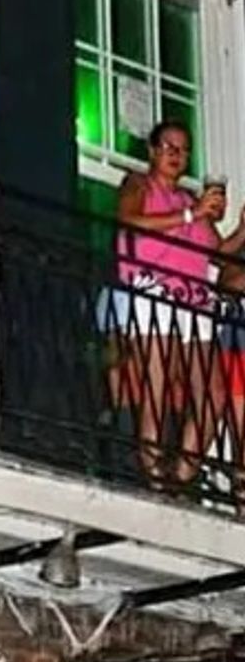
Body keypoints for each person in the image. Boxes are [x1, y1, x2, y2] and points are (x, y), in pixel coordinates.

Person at [109, 121, 245, 486]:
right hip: (155, 291)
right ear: (153, 151)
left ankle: (181, 474)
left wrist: (243, 230)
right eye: (169, 147)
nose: (176, 155)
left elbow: (217, 254)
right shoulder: (139, 183)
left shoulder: (189, 200)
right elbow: (128, 220)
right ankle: (153, 473)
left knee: (213, 392)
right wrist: (192, 215)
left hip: (195, 298)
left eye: (183, 150)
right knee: (155, 386)